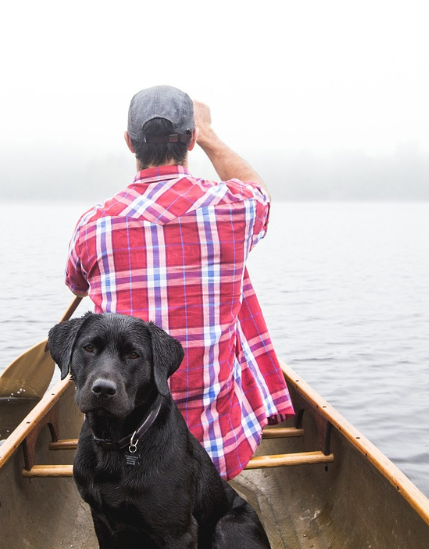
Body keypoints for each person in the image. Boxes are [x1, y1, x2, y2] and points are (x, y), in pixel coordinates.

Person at [63, 85, 293, 480]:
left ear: (129, 143)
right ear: (191, 139)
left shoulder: (93, 226)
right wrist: (210, 134)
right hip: (215, 450)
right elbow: (262, 193)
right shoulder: (235, 208)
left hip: (124, 450)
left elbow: (76, 284)